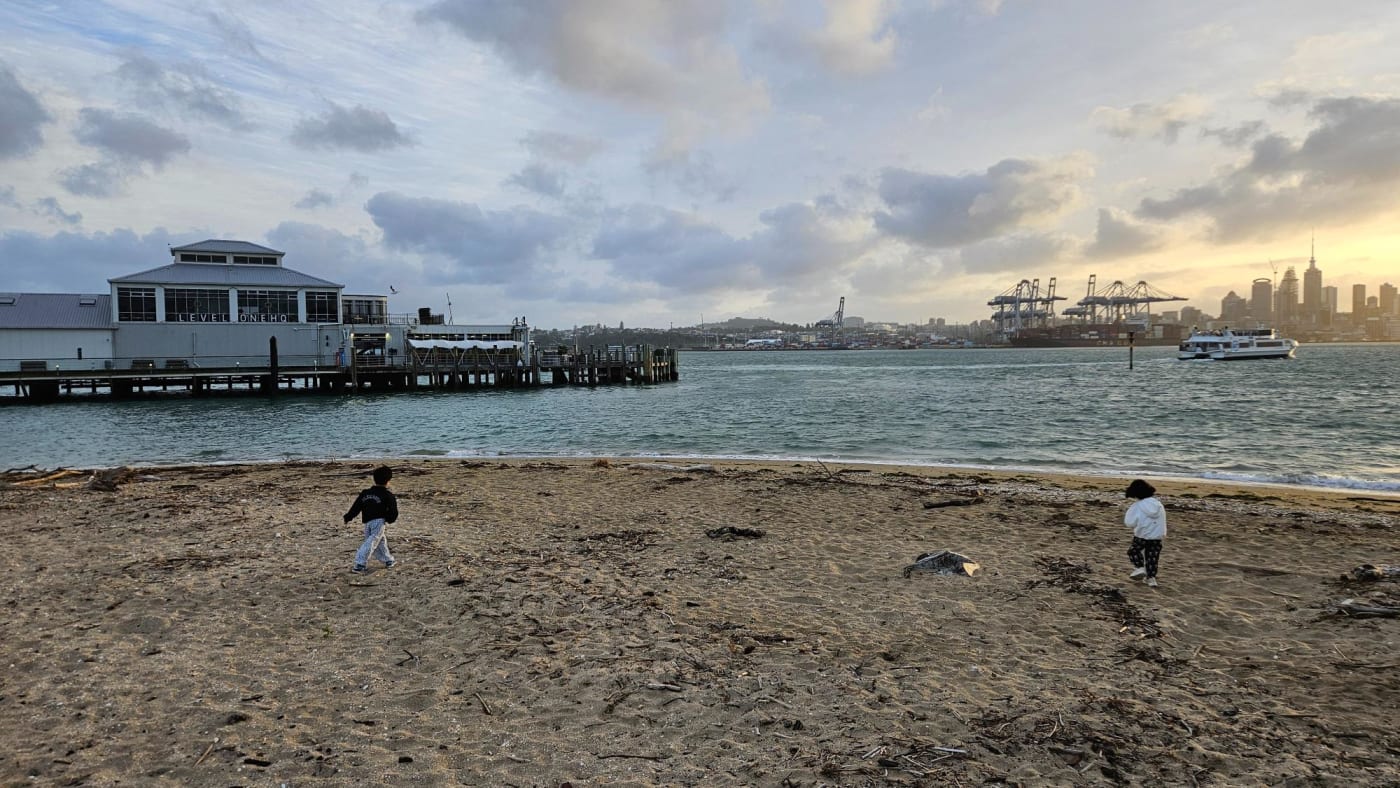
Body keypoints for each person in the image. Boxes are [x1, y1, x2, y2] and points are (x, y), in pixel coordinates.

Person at [344, 465, 399, 574]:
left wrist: (348, 516)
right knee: (372, 541)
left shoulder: (366, 493)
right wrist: (390, 519)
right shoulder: (388, 495)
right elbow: (393, 511)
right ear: (388, 481)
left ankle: (388, 560)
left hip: (368, 522)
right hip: (378, 522)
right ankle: (359, 564)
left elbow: (356, 507)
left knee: (379, 541)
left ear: (374, 479)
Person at [1124, 479, 1166, 587]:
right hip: (1157, 535)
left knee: (1133, 551)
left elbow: (1129, 522)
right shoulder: (1158, 504)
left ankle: (1139, 568)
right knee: (1152, 557)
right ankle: (1151, 579)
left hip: (1142, 534)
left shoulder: (1137, 506)